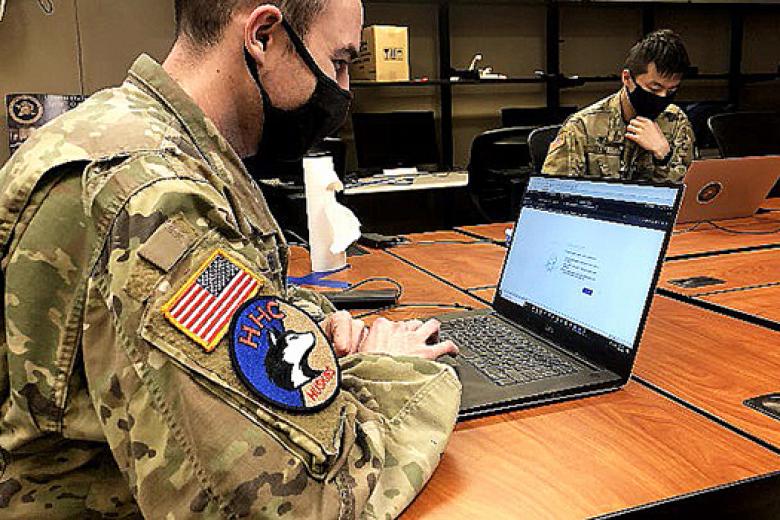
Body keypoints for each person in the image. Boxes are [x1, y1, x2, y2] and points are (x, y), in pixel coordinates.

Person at [0, 0, 461, 517]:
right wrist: (390, 370)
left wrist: (310, 329)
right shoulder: (155, 197)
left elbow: (215, 299)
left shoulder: (126, 132)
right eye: (338, 62)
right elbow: (296, 502)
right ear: (263, 35)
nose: (345, 90)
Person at [543, 29, 695, 183]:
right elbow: (551, 196)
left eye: (671, 91)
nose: (662, 97)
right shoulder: (582, 127)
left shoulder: (676, 122)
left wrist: (663, 157)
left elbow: (687, 195)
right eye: (654, 89)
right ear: (627, 78)